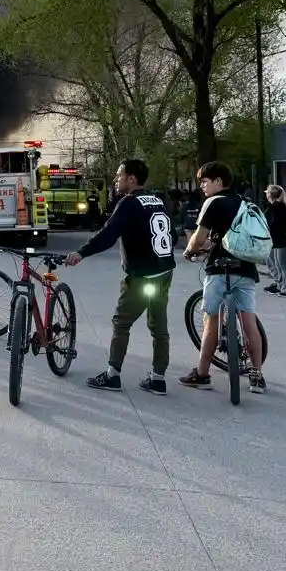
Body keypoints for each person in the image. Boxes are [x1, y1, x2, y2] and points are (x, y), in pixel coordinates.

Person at [68, 159, 176, 395]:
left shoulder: (129, 203)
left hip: (142, 275)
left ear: (132, 178)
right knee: (159, 326)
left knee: (121, 323)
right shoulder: (157, 200)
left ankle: (112, 375)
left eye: (119, 175)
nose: (116, 180)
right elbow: (173, 236)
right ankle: (158, 379)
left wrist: (81, 253)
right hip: (164, 272)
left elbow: (108, 234)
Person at [180, 161, 267, 394]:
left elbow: (200, 238)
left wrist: (189, 251)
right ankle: (257, 376)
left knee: (211, 321)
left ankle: (202, 374)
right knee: (248, 322)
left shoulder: (214, 202)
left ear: (218, 181)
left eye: (204, 181)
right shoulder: (246, 203)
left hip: (219, 269)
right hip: (246, 269)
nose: (202, 186)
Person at [263, 184, 286, 297]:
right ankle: (281, 286)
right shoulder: (280, 206)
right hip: (281, 241)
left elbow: (274, 225)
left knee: (284, 265)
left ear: (270, 195)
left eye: (267, 193)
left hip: (285, 241)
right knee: (279, 264)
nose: (266, 195)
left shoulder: (276, 207)